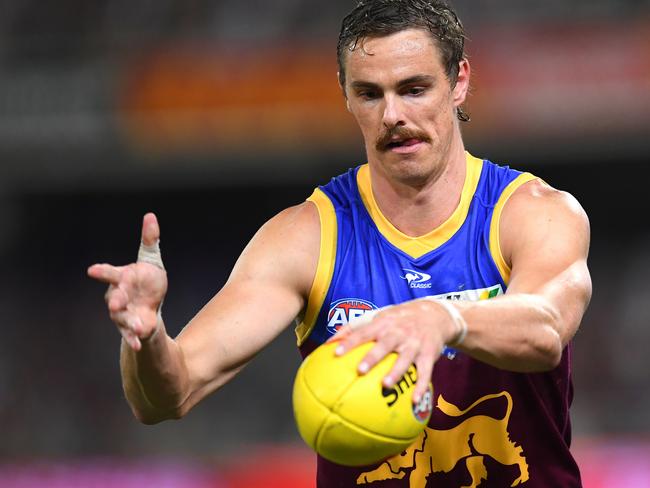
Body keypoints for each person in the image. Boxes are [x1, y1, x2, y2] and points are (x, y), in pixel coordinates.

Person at [88, 0, 591, 486]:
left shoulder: (532, 213)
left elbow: (546, 330)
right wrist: (147, 339)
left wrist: (443, 319)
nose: (392, 114)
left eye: (413, 89)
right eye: (370, 94)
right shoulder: (307, 237)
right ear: (345, 94)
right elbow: (165, 397)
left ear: (458, 81)